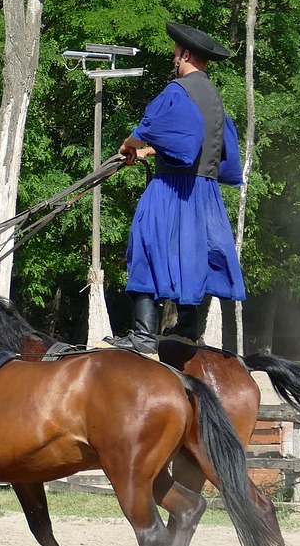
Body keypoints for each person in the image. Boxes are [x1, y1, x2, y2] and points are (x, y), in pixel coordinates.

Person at [104, 21, 246, 354]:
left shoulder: (177, 91)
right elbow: (195, 140)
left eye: (175, 54)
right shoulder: (212, 97)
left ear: (184, 54)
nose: (174, 59)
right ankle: (185, 329)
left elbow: (152, 126)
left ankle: (142, 334)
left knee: (145, 243)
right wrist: (148, 152)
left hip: (173, 188)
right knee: (192, 255)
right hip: (204, 194)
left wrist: (129, 147)